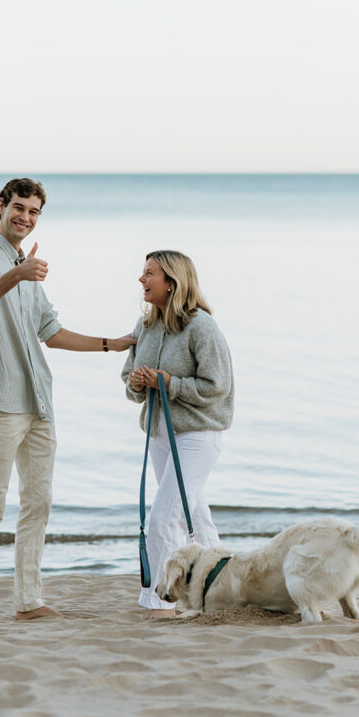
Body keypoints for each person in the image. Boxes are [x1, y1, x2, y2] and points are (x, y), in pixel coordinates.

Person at [0, 177, 134, 625]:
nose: (25, 217)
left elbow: (51, 333)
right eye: (18, 207)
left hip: (39, 402)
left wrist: (111, 344)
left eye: (34, 211)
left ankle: (28, 602)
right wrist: (16, 274)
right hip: (1, 400)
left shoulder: (26, 266)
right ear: (1, 206)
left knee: (38, 503)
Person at [122, 250, 234, 612]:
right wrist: (139, 384)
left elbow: (217, 386)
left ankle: (160, 602)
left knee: (164, 516)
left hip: (198, 434)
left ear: (171, 283)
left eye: (149, 273)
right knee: (194, 518)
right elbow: (129, 380)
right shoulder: (145, 326)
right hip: (158, 435)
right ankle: (224, 589)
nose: (141, 279)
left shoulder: (201, 326)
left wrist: (170, 384)